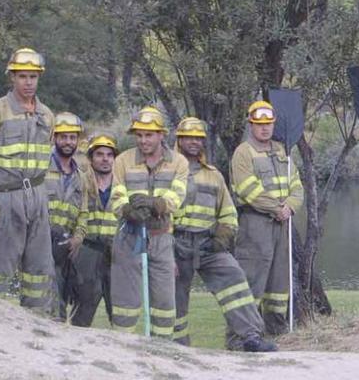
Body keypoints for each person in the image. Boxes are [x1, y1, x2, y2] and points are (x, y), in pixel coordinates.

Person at [172, 117, 276, 352]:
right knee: (174, 299)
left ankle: (250, 337)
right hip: (175, 244)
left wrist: (222, 237)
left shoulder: (214, 175)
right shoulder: (168, 173)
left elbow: (228, 212)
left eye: (198, 138)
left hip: (208, 244)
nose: (194, 142)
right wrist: (164, 246)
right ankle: (176, 348)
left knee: (235, 279)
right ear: (178, 141)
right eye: (188, 137)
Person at [0, 47, 56, 311]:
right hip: (7, 195)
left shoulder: (46, 115)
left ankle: (37, 319)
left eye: (33, 77)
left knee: (39, 265)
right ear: (12, 78)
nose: (28, 82)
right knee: (0, 264)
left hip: (38, 195)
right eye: (22, 76)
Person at [109, 106, 188, 338]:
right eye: (139, 135)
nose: (143, 141)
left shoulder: (179, 162)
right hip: (128, 236)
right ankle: (124, 353)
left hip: (161, 237)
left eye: (149, 135)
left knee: (164, 304)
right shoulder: (122, 160)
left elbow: (177, 195)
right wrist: (127, 210)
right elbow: (116, 195)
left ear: (161, 135)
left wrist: (157, 205)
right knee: (125, 304)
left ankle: (161, 352)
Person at [231, 100, 303, 335]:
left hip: (282, 224)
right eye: (259, 124)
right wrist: (276, 208)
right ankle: (241, 337)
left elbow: (297, 187)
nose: (264, 128)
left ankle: (277, 332)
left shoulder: (282, 151)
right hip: (255, 223)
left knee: (279, 283)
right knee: (252, 280)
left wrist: (290, 207)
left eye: (268, 124)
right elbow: (247, 189)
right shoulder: (243, 152)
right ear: (251, 125)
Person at [70, 132, 120, 327]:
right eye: (99, 154)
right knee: (84, 306)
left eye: (109, 155)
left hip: (115, 252)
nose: (105, 159)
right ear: (91, 158)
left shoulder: (123, 184)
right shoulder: (80, 181)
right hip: (88, 251)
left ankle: (122, 352)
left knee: (119, 309)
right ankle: (76, 349)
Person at [45, 112, 87, 320]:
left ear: (78, 140)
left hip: (64, 246)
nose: (68, 142)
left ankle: (57, 333)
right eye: (63, 137)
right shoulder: (41, 167)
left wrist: (78, 237)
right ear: (54, 137)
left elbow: (83, 213)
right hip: (40, 239)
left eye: (72, 137)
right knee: (42, 294)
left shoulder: (81, 177)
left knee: (61, 294)